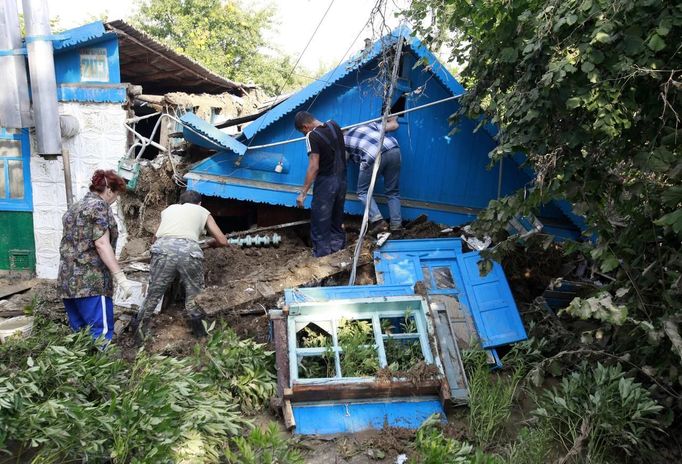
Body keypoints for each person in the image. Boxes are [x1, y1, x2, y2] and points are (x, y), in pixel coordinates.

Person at [131, 190, 228, 340]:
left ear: (180, 203)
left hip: (162, 249)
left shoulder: (169, 210)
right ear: (199, 203)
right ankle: (200, 336)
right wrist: (212, 243)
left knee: (154, 293)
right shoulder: (202, 211)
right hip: (189, 251)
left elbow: (154, 238)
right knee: (194, 294)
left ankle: (139, 336)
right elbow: (222, 240)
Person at [57, 169, 133, 343]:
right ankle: (104, 368)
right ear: (108, 190)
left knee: (80, 333)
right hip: (91, 283)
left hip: (68, 282)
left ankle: (84, 368)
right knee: (100, 333)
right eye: (116, 195)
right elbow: (101, 243)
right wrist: (120, 277)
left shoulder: (74, 208)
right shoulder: (99, 206)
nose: (115, 200)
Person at [294, 111, 348, 257]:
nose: (304, 134)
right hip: (342, 179)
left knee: (320, 220)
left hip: (326, 182)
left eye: (302, 132)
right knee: (336, 217)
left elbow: (314, 166)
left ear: (305, 127)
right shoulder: (334, 125)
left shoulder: (312, 136)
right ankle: (338, 252)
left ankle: (322, 257)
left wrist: (303, 193)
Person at [344, 116, 403, 235]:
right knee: (392, 192)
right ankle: (396, 227)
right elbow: (394, 125)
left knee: (363, 192)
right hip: (393, 149)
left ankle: (378, 222)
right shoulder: (367, 125)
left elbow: (343, 161)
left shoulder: (343, 141)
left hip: (372, 155)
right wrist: (393, 118)